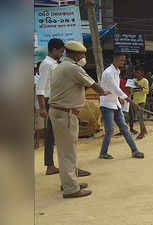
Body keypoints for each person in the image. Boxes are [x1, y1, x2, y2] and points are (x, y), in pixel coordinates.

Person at [49, 40, 111, 198]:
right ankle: (71, 188)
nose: (83, 56)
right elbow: (93, 84)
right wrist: (104, 92)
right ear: (75, 54)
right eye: (82, 54)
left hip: (61, 113)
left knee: (66, 151)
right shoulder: (72, 68)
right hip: (65, 114)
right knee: (67, 152)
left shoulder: (61, 66)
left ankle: (69, 182)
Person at [99, 53, 145, 160]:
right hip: (106, 105)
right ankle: (103, 153)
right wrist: (130, 101)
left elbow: (115, 89)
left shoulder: (117, 71)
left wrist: (119, 98)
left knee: (124, 128)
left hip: (115, 103)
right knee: (110, 130)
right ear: (115, 59)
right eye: (121, 60)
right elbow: (116, 89)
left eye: (124, 61)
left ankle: (135, 151)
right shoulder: (108, 73)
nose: (123, 63)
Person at [36, 38, 64, 175]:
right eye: (60, 51)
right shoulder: (47, 64)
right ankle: (50, 165)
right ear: (53, 50)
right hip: (49, 102)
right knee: (50, 135)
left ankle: (52, 164)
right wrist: (42, 107)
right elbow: (40, 88)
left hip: (56, 101)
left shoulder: (55, 64)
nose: (62, 54)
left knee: (53, 135)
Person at [129, 66, 149, 139]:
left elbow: (147, 91)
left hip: (142, 101)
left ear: (141, 73)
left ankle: (142, 133)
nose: (136, 74)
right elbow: (132, 91)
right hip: (135, 101)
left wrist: (139, 86)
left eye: (137, 73)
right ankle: (144, 130)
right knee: (139, 117)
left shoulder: (145, 81)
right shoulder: (133, 81)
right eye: (135, 73)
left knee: (140, 117)